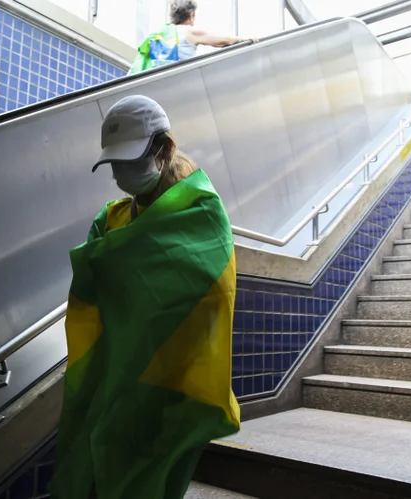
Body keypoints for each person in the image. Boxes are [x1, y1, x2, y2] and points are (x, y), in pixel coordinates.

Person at [50, 95, 240, 499]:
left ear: (163, 148)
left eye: (130, 160)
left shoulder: (200, 212)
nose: (122, 173)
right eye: (115, 164)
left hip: (173, 378)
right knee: (105, 467)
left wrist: (126, 266)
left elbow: (212, 292)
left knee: (151, 477)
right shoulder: (113, 218)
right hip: (117, 370)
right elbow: (92, 287)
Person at [130, 0, 256, 73]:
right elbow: (223, 41)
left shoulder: (159, 35)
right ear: (191, 16)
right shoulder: (188, 32)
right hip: (178, 80)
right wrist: (246, 39)